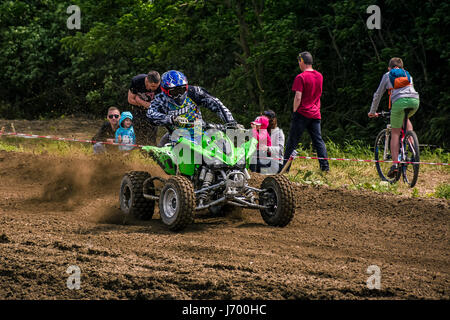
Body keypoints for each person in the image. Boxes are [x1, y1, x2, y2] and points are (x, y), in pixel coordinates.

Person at [146, 70, 238, 146]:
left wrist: (230, 122)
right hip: (176, 138)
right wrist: (171, 119)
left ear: (186, 87)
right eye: (174, 92)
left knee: (221, 141)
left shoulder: (194, 92)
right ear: (165, 91)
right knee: (162, 154)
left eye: (181, 90)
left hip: (200, 133)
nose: (179, 95)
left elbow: (215, 102)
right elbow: (150, 114)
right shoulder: (159, 100)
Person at [368, 57, 420, 178]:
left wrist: (372, 111)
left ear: (389, 68)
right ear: (402, 67)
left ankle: (395, 164)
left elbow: (378, 94)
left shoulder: (387, 75)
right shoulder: (408, 74)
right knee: (406, 119)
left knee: (395, 133)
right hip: (415, 101)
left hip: (399, 103)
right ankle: (413, 147)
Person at [283, 51, 329, 173]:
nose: (299, 64)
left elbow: (298, 97)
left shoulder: (300, 77)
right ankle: (325, 168)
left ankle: (284, 169)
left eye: (299, 61)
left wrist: (294, 111)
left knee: (292, 141)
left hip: (302, 113)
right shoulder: (320, 76)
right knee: (318, 141)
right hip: (315, 113)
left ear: (302, 61)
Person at [128, 70, 161, 146]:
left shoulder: (162, 85)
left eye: (157, 86)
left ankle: (152, 155)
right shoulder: (137, 81)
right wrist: (145, 105)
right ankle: (141, 156)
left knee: (152, 137)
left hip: (153, 111)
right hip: (138, 110)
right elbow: (130, 100)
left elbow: (160, 105)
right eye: (153, 86)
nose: (155, 88)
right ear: (147, 81)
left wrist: (139, 100)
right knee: (139, 136)